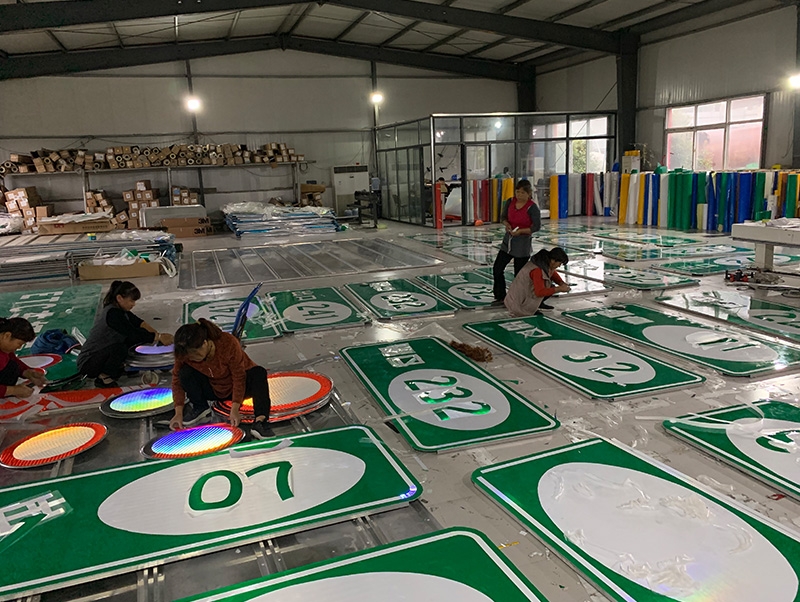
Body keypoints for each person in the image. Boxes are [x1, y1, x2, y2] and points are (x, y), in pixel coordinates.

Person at [169, 318, 273, 438]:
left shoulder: (227, 342)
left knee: (259, 373)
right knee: (184, 372)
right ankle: (201, 408)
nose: (192, 359)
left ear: (205, 343)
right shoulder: (183, 353)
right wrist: (178, 413)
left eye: (195, 354)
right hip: (213, 389)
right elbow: (176, 381)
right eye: (189, 357)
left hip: (239, 387)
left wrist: (235, 408)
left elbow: (239, 377)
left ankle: (260, 421)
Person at [78, 280, 173, 388]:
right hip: (89, 362)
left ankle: (120, 367)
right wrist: (158, 337)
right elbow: (132, 333)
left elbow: (140, 323)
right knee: (121, 347)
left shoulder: (121, 311)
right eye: (131, 301)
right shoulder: (113, 314)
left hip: (102, 354)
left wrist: (158, 335)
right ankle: (104, 376)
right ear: (119, 298)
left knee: (140, 335)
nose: (133, 304)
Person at [492, 179, 541, 305]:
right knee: (497, 268)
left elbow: (536, 226)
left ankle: (519, 298)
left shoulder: (532, 208)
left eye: (522, 193)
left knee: (519, 274)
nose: (519, 195)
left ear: (529, 194)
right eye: (517, 192)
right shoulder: (510, 202)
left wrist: (521, 231)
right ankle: (500, 296)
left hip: (522, 244)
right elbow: (503, 217)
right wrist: (507, 224)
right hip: (508, 242)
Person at [504, 247, 571, 317]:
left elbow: (552, 272)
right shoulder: (537, 270)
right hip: (518, 303)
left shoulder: (542, 262)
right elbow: (539, 292)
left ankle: (538, 304)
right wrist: (559, 289)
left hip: (516, 297)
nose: (559, 266)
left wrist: (561, 283)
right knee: (548, 288)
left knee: (550, 286)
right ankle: (528, 308)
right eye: (559, 263)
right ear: (553, 260)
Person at [0, 317, 46, 398]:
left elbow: (12, 359)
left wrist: (27, 372)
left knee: (13, 366)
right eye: (19, 344)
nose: (19, 347)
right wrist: (13, 390)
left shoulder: (4, 349)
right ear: (7, 335)